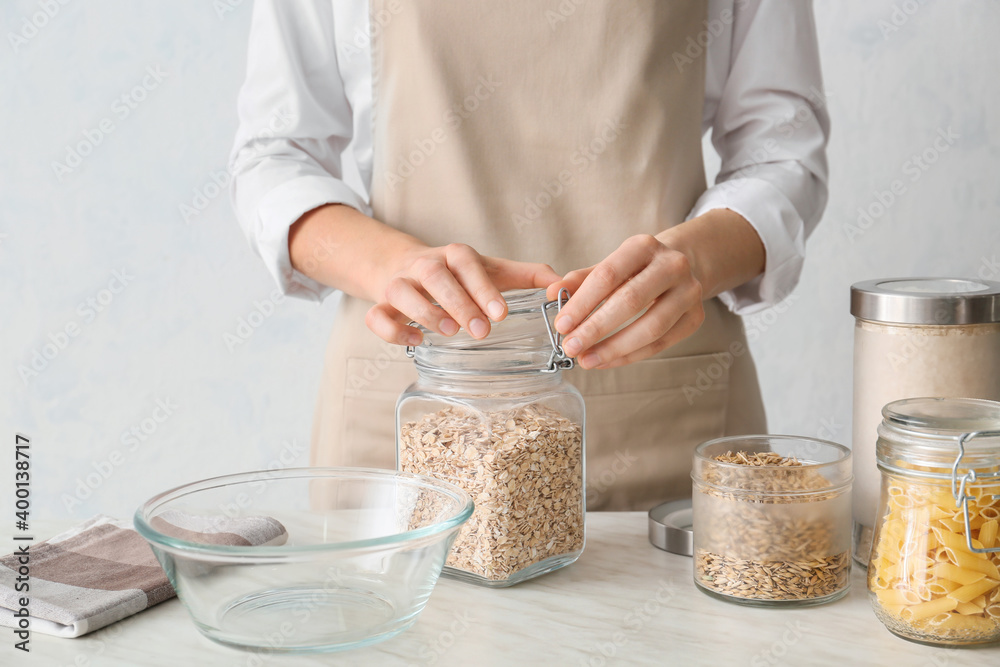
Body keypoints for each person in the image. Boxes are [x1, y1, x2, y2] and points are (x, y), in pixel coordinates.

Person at [229, 0, 830, 510]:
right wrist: (393, 266)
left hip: (666, 416)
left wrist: (693, 261)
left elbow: (782, 148)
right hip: (412, 412)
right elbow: (276, 156)